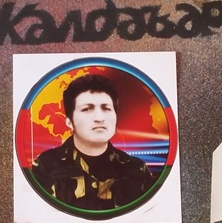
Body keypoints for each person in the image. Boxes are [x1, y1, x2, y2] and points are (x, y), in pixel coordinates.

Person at [31, 74, 154, 211]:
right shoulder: (45, 166)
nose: (99, 118)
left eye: (106, 108)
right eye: (86, 109)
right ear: (69, 122)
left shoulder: (136, 170)